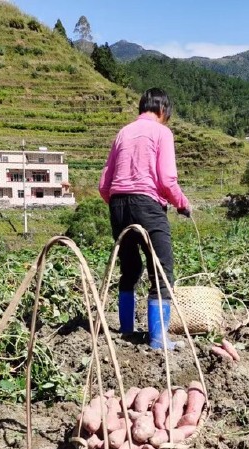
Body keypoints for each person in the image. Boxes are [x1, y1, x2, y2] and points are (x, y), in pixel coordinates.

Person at [99, 88, 191, 350]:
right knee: (161, 270)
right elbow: (166, 179)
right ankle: (159, 339)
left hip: (117, 204)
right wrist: (182, 204)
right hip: (147, 204)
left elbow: (104, 185)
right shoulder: (162, 132)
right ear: (163, 111)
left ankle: (126, 331)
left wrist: (121, 205)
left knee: (130, 269)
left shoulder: (123, 133)